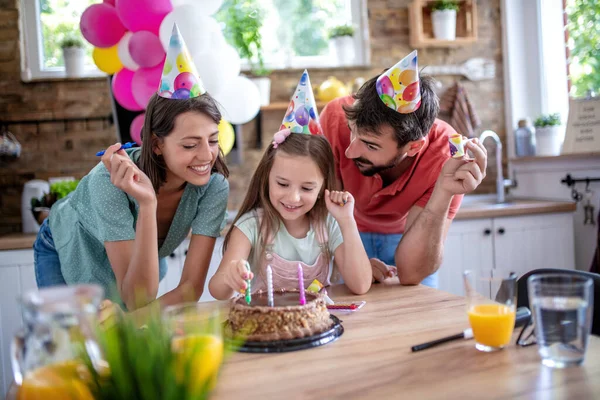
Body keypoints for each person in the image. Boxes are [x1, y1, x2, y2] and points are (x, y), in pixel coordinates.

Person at [33, 24, 229, 311]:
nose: (206, 156)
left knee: (130, 336)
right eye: (190, 145)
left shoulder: (213, 187)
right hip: (69, 246)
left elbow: (186, 289)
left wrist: (128, 326)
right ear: (156, 144)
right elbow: (137, 300)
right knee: (78, 345)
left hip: (131, 266)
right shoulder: (109, 181)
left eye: (213, 140)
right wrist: (147, 204)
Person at [320, 50, 488, 288]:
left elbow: (411, 274)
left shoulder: (447, 155)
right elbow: (319, 213)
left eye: (370, 145)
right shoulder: (335, 117)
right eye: (352, 131)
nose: (350, 152)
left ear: (413, 147)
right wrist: (351, 262)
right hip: (345, 233)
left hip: (410, 236)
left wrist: (443, 191)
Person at [209, 71, 371, 299]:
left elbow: (361, 284)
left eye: (306, 188)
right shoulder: (251, 227)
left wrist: (347, 220)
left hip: (316, 328)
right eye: (283, 184)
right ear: (267, 177)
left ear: (323, 186)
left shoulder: (330, 225)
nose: (293, 197)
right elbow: (217, 291)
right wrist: (230, 276)